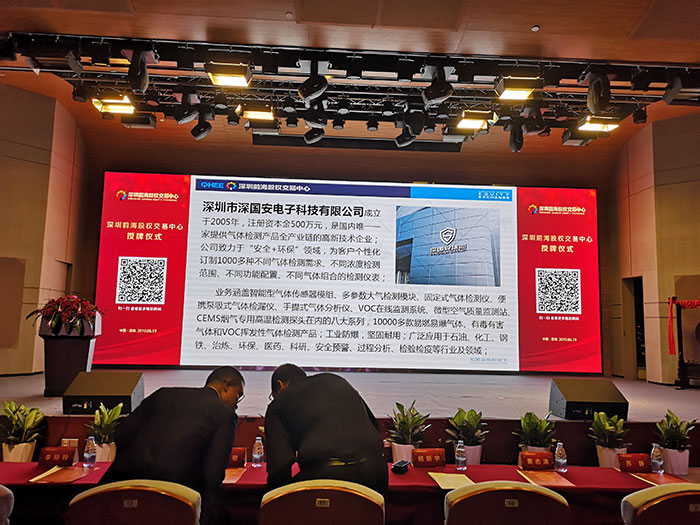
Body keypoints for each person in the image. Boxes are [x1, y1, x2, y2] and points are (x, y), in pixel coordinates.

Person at [101, 366, 244, 525]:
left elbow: (121, 434)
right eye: (238, 395)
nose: (237, 404)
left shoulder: (162, 394)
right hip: (172, 499)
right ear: (226, 386)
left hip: (117, 494)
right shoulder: (224, 414)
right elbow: (213, 475)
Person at [264, 364, 388, 494]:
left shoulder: (279, 404)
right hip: (376, 473)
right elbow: (374, 425)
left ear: (280, 386)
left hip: (325, 479)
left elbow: (279, 469)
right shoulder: (336, 380)